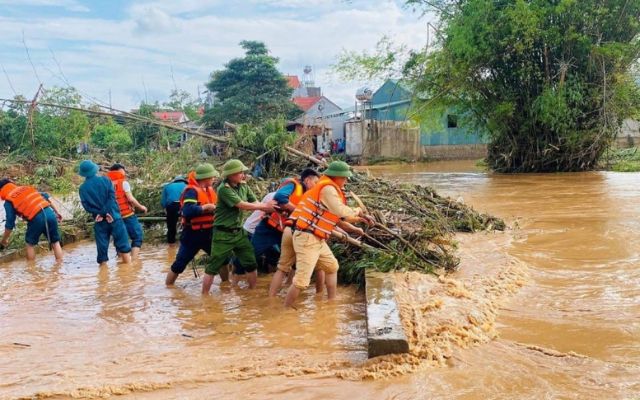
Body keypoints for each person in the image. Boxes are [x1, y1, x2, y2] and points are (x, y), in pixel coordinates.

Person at [283, 161, 374, 307]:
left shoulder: (328, 188)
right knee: (301, 282)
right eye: (344, 177)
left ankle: (331, 302)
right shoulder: (328, 189)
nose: (346, 180)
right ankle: (284, 312)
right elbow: (340, 211)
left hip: (316, 237)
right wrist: (358, 210)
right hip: (307, 238)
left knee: (332, 267)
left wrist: (360, 217)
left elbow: (341, 217)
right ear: (336, 176)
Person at [202, 159, 276, 294]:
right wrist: (266, 207)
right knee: (213, 266)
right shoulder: (223, 189)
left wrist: (264, 211)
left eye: (243, 172)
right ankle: (204, 297)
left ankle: (252, 292)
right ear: (230, 175)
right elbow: (242, 205)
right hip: (222, 234)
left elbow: (255, 202)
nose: (243, 175)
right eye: (240, 172)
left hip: (239, 233)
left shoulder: (244, 186)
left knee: (251, 262)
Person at [266, 169, 322, 296]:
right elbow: (280, 197)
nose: (317, 185)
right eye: (315, 182)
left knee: (287, 266)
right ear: (307, 180)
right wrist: (299, 211)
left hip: (289, 229)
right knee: (286, 267)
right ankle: (319, 298)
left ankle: (275, 296)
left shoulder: (310, 193)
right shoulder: (294, 186)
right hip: (290, 230)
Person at [165, 163, 219, 286]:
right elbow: (187, 211)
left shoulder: (209, 190)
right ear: (205, 178)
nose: (214, 179)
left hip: (208, 232)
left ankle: (226, 286)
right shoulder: (191, 191)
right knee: (180, 264)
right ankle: (168, 288)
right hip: (192, 235)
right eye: (212, 177)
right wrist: (206, 207)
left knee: (222, 259)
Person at [77, 160, 131, 267]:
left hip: (99, 220)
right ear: (95, 169)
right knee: (124, 247)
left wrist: (100, 214)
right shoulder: (105, 180)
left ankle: (103, 279)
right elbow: (111, 197)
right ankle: (129, 274)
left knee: (102, 251)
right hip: (114, 217)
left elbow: (86, 206)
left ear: (83, 174)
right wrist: (106, 212)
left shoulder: (82, 188)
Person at [0, 178, 64, 262]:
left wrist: (4, 240)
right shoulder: (26, 188)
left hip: (36, 219)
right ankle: (59, 269)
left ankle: (31, 270)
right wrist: (56, 212)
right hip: (50, 213)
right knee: (55, 242)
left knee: (30, 244)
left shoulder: (9, 201)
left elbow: (10, 223)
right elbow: (46, 198)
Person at [106, 163, 147, 259]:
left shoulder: (107, 184)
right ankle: (133, 261)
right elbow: (130, 199)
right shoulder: (123, 183)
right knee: (137, 237)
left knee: (119, 240)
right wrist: (141, 207)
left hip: (114, 217)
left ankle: (121, 264)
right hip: (127, 215)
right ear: (119, 171)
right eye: (123, 170)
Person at [161, 175, 187, 245]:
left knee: (171, 227)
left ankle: (171, 244)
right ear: (184, 181)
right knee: (188, 224)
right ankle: (186, 242)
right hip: (185, 205)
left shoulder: (167, 186)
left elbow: (163, 202)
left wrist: (165, 210)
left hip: (172, 206)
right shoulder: (187, 185)